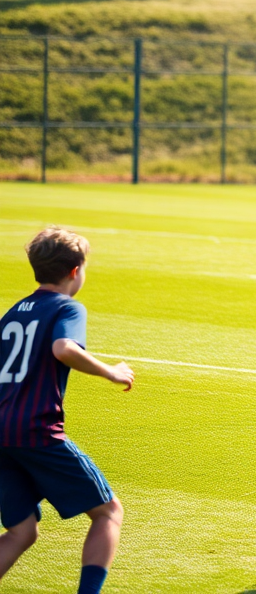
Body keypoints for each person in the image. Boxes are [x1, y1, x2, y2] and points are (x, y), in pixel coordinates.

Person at [0, 228, 133, 594]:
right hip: (35, 430)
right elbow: (63, 348)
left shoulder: (13, 313)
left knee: (21, 530)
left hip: (0, 432)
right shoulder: (67, 307)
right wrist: (111, 372)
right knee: (108, 513)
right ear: (76, 271)